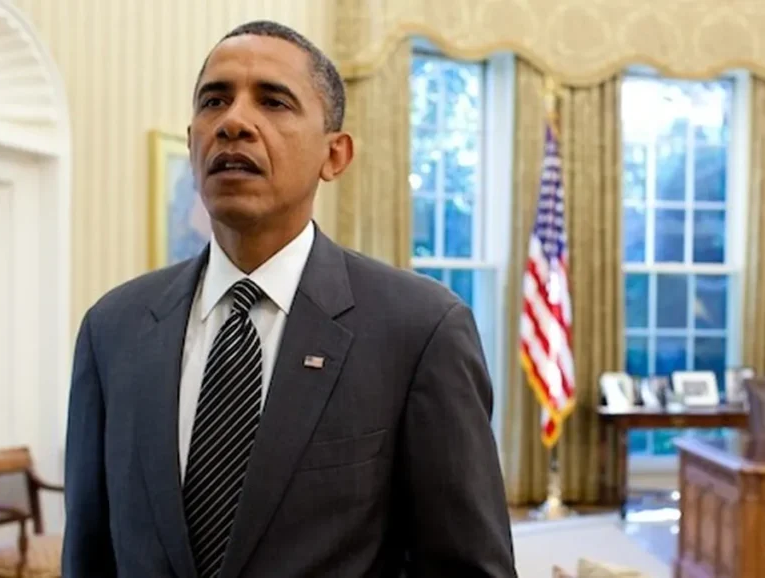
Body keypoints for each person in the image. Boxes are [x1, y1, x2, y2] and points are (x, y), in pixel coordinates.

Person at [62, 20, 516, 578]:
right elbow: (88, 554)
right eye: (214, 101)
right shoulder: (113, 329)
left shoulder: (421, 331)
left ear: (335, 155)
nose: (234, 122)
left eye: (273, 102)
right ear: (191, 142)